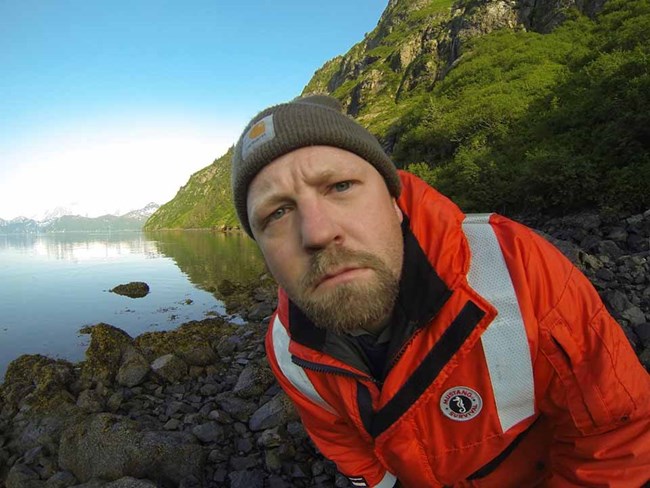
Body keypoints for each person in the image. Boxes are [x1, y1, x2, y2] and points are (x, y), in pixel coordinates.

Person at [231, 94, 650, 487]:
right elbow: (350, 451)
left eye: (340, 187)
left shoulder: (515, 268)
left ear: (394, 202)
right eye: (277, 213)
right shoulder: (288, 349)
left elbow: (617, 436)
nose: (318, 232)